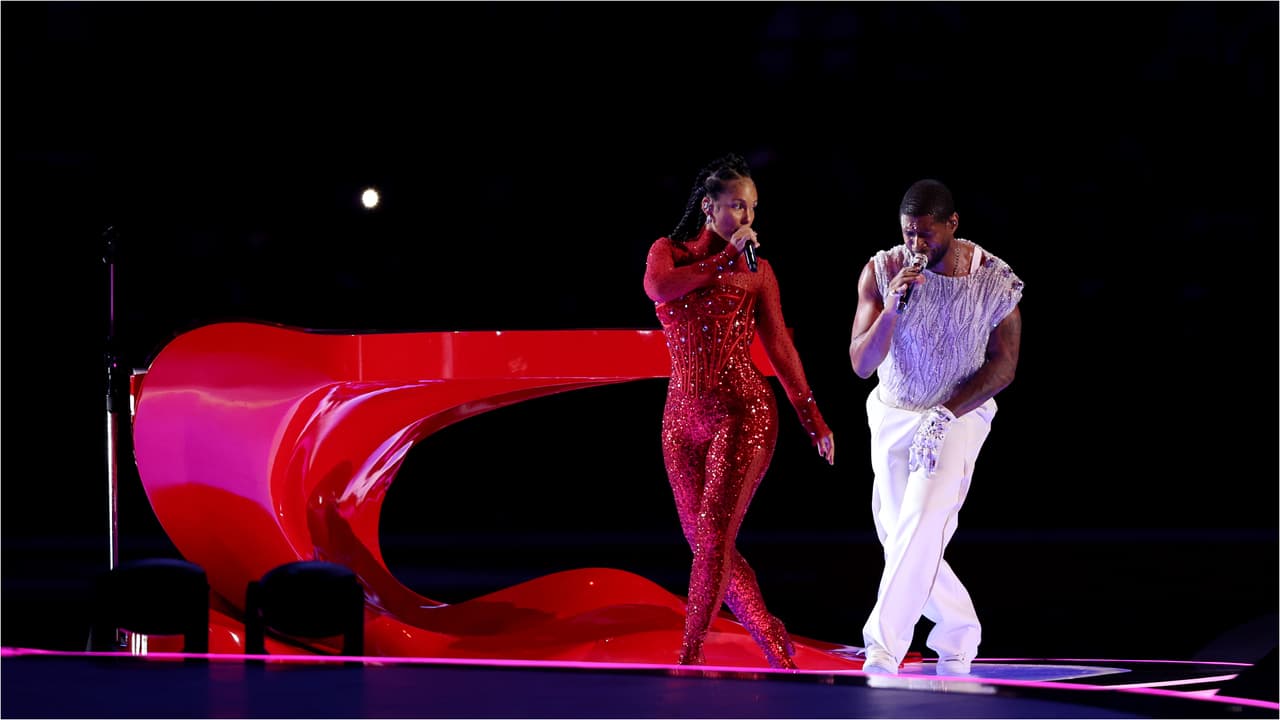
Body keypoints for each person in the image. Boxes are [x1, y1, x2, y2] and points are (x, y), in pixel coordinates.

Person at [642, 152, 836, 669]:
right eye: (736, 207)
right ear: (709, 207)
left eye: (752, 209)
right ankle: (773, 638)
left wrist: (811, 417)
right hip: (680, 418)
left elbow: (780, 350)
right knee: (710, 544)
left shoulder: (760, 273)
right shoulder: (669, 252)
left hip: (742, 411)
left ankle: (690, 654)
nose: (747, 219)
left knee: (712, 540)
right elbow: (659, 288)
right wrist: (725, 259)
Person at [847, 178, 1024, 676]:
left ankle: (881, 649)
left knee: (923, 519)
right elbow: (861, 365)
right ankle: (959, 628)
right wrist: (890, 311)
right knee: (899, 535)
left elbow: (1004, 366)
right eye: (908, 234)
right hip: (893, 410)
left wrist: (946, 414)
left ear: (952, 224)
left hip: (958, 414)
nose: (916, 245)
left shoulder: (993, 279)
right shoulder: (881, 271)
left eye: (926, 234)